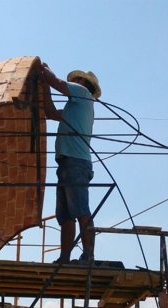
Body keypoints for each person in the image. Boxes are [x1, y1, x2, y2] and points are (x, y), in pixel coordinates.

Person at [40, 62, 102, 264]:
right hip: (68, 163)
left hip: (76, 162)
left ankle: (88, 256)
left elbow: (56, 82)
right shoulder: (74, 106)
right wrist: (43, 83)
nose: (72, 81)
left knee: (80, 209)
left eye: (76, 78)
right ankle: (65, 257)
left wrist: (42, 68)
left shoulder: (82, 93)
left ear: (83, 82)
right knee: (66, 215)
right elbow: (49, 112)